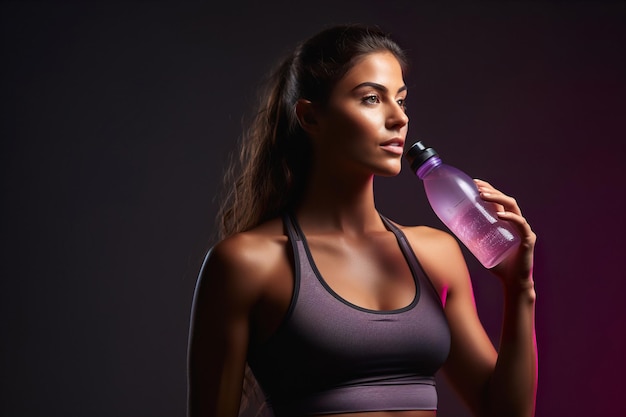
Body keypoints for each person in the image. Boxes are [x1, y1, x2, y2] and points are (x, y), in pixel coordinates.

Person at [187, 24, 537, 417]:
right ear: (311, 117)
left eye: (401, 101)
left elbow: (507, 413)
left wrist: (518, 287)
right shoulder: (248, 263)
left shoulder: (435, 254)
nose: (398, 119)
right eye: (371, 98)